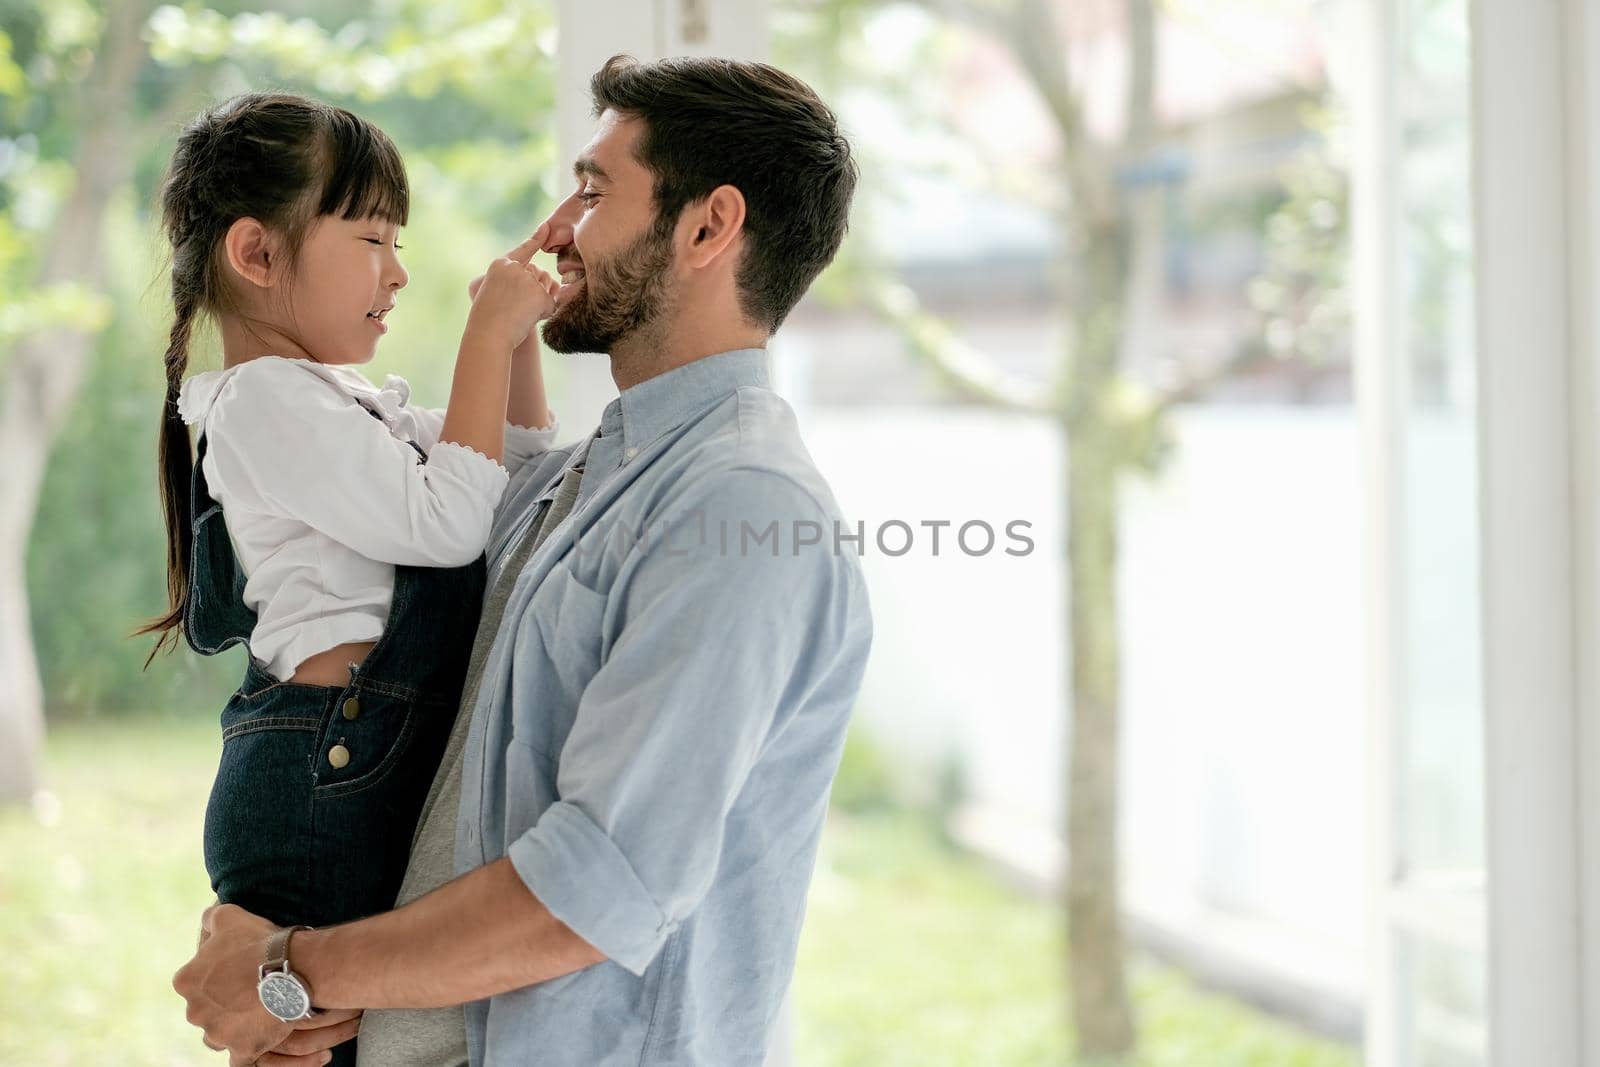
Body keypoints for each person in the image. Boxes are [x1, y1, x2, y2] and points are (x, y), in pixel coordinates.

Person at [174, 55, 872, 1067]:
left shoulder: (740, 506)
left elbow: (593, 886)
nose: (562, 223)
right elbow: (486, 489)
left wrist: (288, 971)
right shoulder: (602, 475)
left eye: (592, 191)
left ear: (708, 225)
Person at [136, 92, 562, 1066]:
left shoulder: (342, 403)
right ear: (256, 253)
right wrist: (484, 336)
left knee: (344, 1033)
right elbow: (450, 523)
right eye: (372, 237)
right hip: (321, 775)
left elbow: (511, 473)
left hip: (360, 759)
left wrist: (518, 329)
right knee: (312, 1041)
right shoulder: (265, 402)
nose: (398, 270)